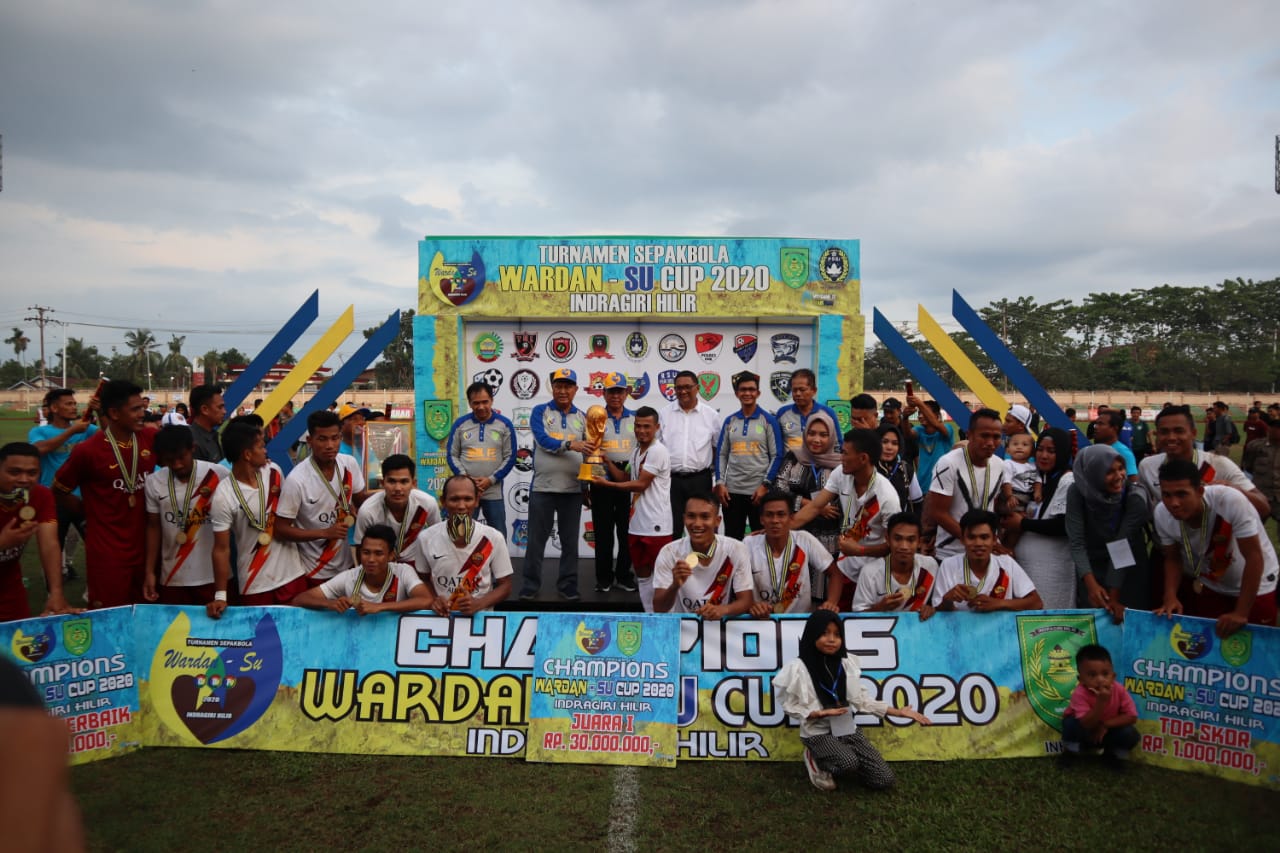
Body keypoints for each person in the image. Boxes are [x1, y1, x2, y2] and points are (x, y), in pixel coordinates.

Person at [772, 610, 930, 792]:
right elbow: (788, 705)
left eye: (837, 634)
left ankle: (849, 761)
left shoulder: (846, 664)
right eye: (824, 633)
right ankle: (816, 760)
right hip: (817, 733)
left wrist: (898, 712)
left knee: (883, 779)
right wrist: (817, 713)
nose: (831, 639)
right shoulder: (798, 668)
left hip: (846, 729)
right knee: (848, 762)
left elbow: (861, 699)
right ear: (812, 634)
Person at [53, 379, 157, 608]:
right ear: (114, 413)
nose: (143, 413)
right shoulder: (87, 451)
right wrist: (85, 512)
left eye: (143, 407)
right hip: (107, 552)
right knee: (109, 618)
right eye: (136, 409)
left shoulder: (150, 439)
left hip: (146, 548)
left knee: (145, 614)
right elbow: (59, 490)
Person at [1153, 458, 1278, 636]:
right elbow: (1173, 557)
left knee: (1256, 650)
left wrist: (1241, 613)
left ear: (1200, 491)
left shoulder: (1230, 500)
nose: (1174, 503)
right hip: (1211, 583)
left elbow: (1254, 556)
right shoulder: (1161, 513)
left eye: (1182, 494)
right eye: (1167, 495)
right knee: (1212, 646)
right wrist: (1170, 596)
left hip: (1257, 585)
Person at [206, 420, 308, 618]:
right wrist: (220, 595)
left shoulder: (274, 472)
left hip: (292, 575)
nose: (266, 451)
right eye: (261, 447)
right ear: (247, 454)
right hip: (256, 584)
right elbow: (221, 548)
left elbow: (289, 517)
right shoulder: (223, 496)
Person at [791, 429, 900, 605]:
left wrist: (859, 551)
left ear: (863, 458)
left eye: (845, 453)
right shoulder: (841, 474)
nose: (840, 458)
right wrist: (780, 528)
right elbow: (815, 507)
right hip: (845, 569)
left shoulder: (887, 497)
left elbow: (894, 546)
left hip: (874, 575)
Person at [276, 409, 369, 586]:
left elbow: (360, 501)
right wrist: (324, 533)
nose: (330, 445)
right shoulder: (297, 480)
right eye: (322, 439)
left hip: (347, 566)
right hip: (314, 571)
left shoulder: (349, 463)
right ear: (310, 441)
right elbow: (281, 529)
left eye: (335, 438)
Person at [522, 367, 592, 601]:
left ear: (575, 389)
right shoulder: (539, 411)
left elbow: (589, 454)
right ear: (552, 388)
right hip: (543, 488)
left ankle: (568, 585)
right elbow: (542, 441)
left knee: (570, 542)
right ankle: (530, 586)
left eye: (568, 386)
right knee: (535, 540)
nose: (563, 390)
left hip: (572, 490)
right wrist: (571, 445)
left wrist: (586, 486)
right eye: (559, 386)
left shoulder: (583, 416)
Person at [591, 406, 671, 612]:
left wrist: (608, 486)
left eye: (647, 426)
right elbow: (627, 478)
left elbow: (640, 485)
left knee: (662, 578)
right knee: (643, 577)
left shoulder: (657, 451)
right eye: (638, 426)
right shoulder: (636, 451)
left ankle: (668, 620)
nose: (642, 431)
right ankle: (650, 616)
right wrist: (608, 462)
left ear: (657, 428)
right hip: (637, 524)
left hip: (657, 526)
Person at [142, 425, 226, 605]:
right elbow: (153, 527)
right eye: (170, 460)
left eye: (181, 457)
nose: (177, 464)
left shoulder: (218, 474)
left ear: (193, 448)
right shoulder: (154, 482)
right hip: (173, 577)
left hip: (212, 575)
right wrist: (150, 571)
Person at [1065, 444, 1150, 620]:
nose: (1119, 476)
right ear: (1093, 473)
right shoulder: (1077, 491)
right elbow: (1077, 542)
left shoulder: (1135, 497)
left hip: (1127, 568)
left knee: (1126, 620)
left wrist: (1114, 597)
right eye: (1109, 472)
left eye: (1121, 469)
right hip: (1091, 567)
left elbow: (1122, 546)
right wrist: (1091, 585)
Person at [1138, 405, 1268, 519]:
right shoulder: (1147, 466)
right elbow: (1146, 509)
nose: (1171, 437)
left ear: (1193, 433)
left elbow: (1263, 508)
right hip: (1170, 544)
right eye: (1164, 432)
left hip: (1215, 545)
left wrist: (1232, 490)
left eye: (1179, 431)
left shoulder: (1218, 464)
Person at [1000, 428, 1076, 610]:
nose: (1043, 455)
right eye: (1040, 449)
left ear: (1063, 452)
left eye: (1051, 451)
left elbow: (1064, 525)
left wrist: (1023, 523)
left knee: (1051, 624)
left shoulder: (1067, 481)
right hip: (1028, 571)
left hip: (1054, 573)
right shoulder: (1039, 480)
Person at [922, 408, 1010, 561]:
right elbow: (938, 512)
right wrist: (974, 540)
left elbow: (990, 507)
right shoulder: (948, 463)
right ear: (969, 435)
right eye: (984, 436)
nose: (990, 443)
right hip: (951, 554)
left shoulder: (1000, 466)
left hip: (985, 553)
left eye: (996, 437)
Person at [921, 509, 1043, 619]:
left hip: (999, 633)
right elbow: (937, 612)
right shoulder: (949, 565)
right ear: (962, 539)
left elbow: (1036, 603)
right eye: (971, 537)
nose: (978, 543)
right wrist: (947, 600)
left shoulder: (1006, 563)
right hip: (959, 634)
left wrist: (998, 604)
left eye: (984, 537)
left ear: (994, 540)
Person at [29, 387, 97, 579]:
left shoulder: (87, 430)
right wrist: (72, 431)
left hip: (82, 499)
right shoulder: (40, 431)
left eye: (75, 403)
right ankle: (53, 593)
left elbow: (109, 437)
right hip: (52, 500)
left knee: (95, 545)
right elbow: (39, 449)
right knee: (53, 549)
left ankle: (91, 591)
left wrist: (100, 411)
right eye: (69, 403)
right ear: (54, 408)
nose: (74, 407)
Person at [0, 443, 73, 620]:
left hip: (10, 588)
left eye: (32, 473)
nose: (24, 479)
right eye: (14, 472)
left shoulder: (40, 495)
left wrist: (56, 592)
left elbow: (50, 544)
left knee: (15, 642)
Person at [773, 411, 843, 596]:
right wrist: (811, 505)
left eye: (823, 434)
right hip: (796, 531)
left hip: (830, 537)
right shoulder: (794, 457)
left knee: (825, 586)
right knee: (794, 588)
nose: (816, 439)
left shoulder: (841, 463)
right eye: (811, 433)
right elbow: (779, 488)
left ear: (832, 436)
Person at [291, 523, 432, 615]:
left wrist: (380, 607)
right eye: (366, 552)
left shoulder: (403, 571)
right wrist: (331, 603)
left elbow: (426, 600)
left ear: (391, 555)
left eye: (378, 553)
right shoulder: (349, 577)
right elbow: (300, 599)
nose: (371, 559)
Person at [652, 494, 753, 618]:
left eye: (705, 517)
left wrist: (723, 610)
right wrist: (674, 586)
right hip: (683, 628)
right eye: (691, 516)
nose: (697, 523)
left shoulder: (735, 549)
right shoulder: (669, 552)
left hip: (719, 626)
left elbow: (746, 600)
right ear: (684, 519)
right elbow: (659, 608)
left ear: (717, 521)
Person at [746, 491, 840, 615]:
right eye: (769, 515)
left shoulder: (804, 539)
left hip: (798, 623)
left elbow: (835, 574)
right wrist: (752, 605)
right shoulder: (749, 544)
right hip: (762, 622)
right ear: (761, 519)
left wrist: (831, 603)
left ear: (791, 518)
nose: (775, 520)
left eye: (781, 514)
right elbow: (736, 585)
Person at [715, 371, 783, 540]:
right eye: (743, 389)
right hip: (732, 492)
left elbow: (777, 455)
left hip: (758, 493)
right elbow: (721, 454)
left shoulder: (768, 420)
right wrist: (720, 483)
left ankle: (759, 569)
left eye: (752, 390)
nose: (747, 393)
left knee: (761, 540)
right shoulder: (730, 421)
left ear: (758, 393)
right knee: (732, 539)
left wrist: (765, 486)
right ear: (737, 393)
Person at [446, 381, 517, 537]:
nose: (481, 406)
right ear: (470, 403)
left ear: (491, 400)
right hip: (465, 492)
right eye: (476, 403)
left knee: (498, 534)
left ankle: (497, 562)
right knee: (462, 533)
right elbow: (452, 454)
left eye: (485, 402)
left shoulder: (504, 424)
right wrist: (466, 479)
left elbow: (510, 457)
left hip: (493, 490)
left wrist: (491, 479)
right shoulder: (460, 424)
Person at [353, 453, 440, 573]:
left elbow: (438, 536)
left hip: (417, 562)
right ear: (382, 483)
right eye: (392, 481)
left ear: (413, 484)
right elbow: (360, 547)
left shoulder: (427, 503)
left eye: (404, 482)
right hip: (382, 564)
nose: (398, 488)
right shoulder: (368, 510)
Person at [590, 373, 637, 592]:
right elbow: (592, 451)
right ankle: (604, 578)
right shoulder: (596, 417)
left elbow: (640, 451)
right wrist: (601, 479)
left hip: (628, 480)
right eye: (611, 391)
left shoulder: (636, 418)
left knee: (628, 531)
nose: (616, 396)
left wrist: (628, 477)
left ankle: (624, 575)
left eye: (620, 391)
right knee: (603, 531)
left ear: (626, 393)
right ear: (604, 393)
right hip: (602, 478)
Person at [660, 369, 721, 536]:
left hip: (700, 480)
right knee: (672, 528)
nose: (683, 391)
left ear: (698, 388)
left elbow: (717, 448)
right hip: (671, 481)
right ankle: (675, 562)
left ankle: (702, 562)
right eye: (678, 388)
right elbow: (656, 448)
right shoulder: (664, 414)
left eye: (687, 387)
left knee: (701, 528)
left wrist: (715, 477)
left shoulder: (711, 415)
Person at [1060, 644, 1138, 764]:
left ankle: (1112, 755)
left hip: (1106, 733)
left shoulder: (1119, 690)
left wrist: (1105, 725)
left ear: (1113, 676)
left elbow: (1132, 717)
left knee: (1130, 733)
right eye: (1092, 675)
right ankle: (1071, 751)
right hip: (1085, 733)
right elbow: (1085, 723)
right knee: (1070, 723)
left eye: (1105, 674)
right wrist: (1101, 702)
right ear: (1081, 679)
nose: (1100, 679)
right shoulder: (1079, 693)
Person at [850, 512, 937, 613]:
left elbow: (938, 604)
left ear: (919, 542)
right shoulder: (870, 573)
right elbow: (857, 616)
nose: (904, 546)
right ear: (887, 539)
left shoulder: (930, 566)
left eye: (911, 540)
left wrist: (931, 608)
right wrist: (880, 608)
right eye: (898, 538)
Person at [776, 368, 842, 452]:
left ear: (814, 391)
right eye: (794, 390)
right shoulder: (782, 413)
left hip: (821, 464)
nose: (798, 394)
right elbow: (776, 447)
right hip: (790, 464)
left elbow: (838, 445)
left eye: (802, 390)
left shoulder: (828, 413)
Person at [1242, 414, 1280, 536]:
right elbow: (1248, 466)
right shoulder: (1256, 446)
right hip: (1261, 495)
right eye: (1274, 430)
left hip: (1279, 497)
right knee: (1252, 530)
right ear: (1269, 430)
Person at [908, 395, 955, 492]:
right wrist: (904, 418)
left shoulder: (947, 429)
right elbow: (907, 434)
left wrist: (920, 404)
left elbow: (937, 424)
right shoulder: (919, 430)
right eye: (919, 413)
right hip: (923, 485)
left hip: (943, 487)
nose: (920, 416)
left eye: (924, 412)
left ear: (937, 416)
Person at [875, 424, 917, 514]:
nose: (889, 447)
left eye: (895, 443)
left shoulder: (906, 469)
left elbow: (917, 503)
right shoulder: (866, 468)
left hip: (898, 526)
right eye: (884, 442)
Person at [1090, 409, 1138, 483]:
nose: (1096, 427)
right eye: (1096, 424)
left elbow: (1133, 482)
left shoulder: (1123, 452)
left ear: (1115, 428)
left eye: (1101, 424)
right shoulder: (1094, 449)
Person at [187, 383, 226, 463]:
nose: (224, 411)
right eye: (220, 407)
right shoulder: (192, 441)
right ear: (205, 410)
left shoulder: (213, 435)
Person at [879, 398, 918, 465]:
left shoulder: (908, 428)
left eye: (891, 412)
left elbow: (916, 453)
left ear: (899, 411)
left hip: (905, 469)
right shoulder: (881, 427)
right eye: (886, 412)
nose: (888, 415)